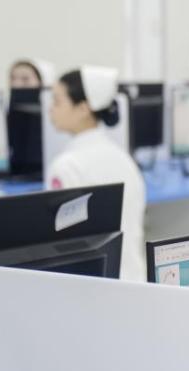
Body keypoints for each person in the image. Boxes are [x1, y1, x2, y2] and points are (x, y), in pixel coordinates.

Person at [46, 66, 147, 282]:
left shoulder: (66, 166)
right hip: (134, 281)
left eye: (57, 101)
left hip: (95, 287)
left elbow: (61, 246)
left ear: (83, 108)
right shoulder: (124, 159)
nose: (50, 109)